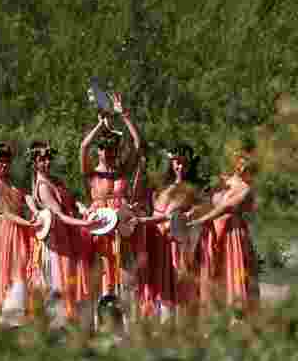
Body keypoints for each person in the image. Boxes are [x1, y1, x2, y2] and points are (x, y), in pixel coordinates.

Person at [79, 91, 144, 318]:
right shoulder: (92, 173)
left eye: (113, 149)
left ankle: (128, 324)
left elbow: (137, 143)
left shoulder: (123, 170)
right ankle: (100, 323)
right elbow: (83, 147)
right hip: (101, 225)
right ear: (100, 150)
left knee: (127, 274)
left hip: (123, 225)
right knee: (102, 273)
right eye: (105, 149)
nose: (109, 153)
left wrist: (123, 114)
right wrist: (100, 124)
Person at [27, 141, 98, 329]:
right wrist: (86, 224)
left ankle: (78, 323)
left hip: (72, 234)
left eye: (49, 158)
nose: (47, 163)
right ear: (34, 163)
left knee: (75, 277)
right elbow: (61, 216)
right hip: (59, 240)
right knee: (61, 279)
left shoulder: (56, 180)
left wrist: (83, 208)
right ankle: (60, 325)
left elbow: (72, 202)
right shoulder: (43, 187)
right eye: (42, 160)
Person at [188, 150, 259, 319]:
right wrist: (190, 214)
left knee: (233, 274)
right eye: (241, 161)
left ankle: (237, 322)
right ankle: (212, 320)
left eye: (246, 162)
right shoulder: (222, 182)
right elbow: (207, 202)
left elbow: (225, 208)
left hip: (231, 234)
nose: (243, 165)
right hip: (212, 232)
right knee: (210, 275)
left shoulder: (246, 188)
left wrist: (200, 221)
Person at [136, 143, 202, 322]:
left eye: (183, 163)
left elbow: (191, 214)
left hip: (176, 244)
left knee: (177, 284)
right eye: (175, 162)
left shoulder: (192, 189)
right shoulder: (162, 187)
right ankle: (160, 326)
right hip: (157, 241)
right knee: (159, 285)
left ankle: (180, 328)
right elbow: (150, 208)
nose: (179, 166)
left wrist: (140, 221)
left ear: (189, 165)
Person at [0, 142, 39, 324]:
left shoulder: (9, 180)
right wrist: (29, 223)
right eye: (1, 161)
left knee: (23, 266)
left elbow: (25, 196)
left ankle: (19, 310)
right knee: (13, 266)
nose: (5, 164)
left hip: (18, 226)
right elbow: (7, 213)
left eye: (7, 161)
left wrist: (34, 210)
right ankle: (10, 313)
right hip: (5, 230)